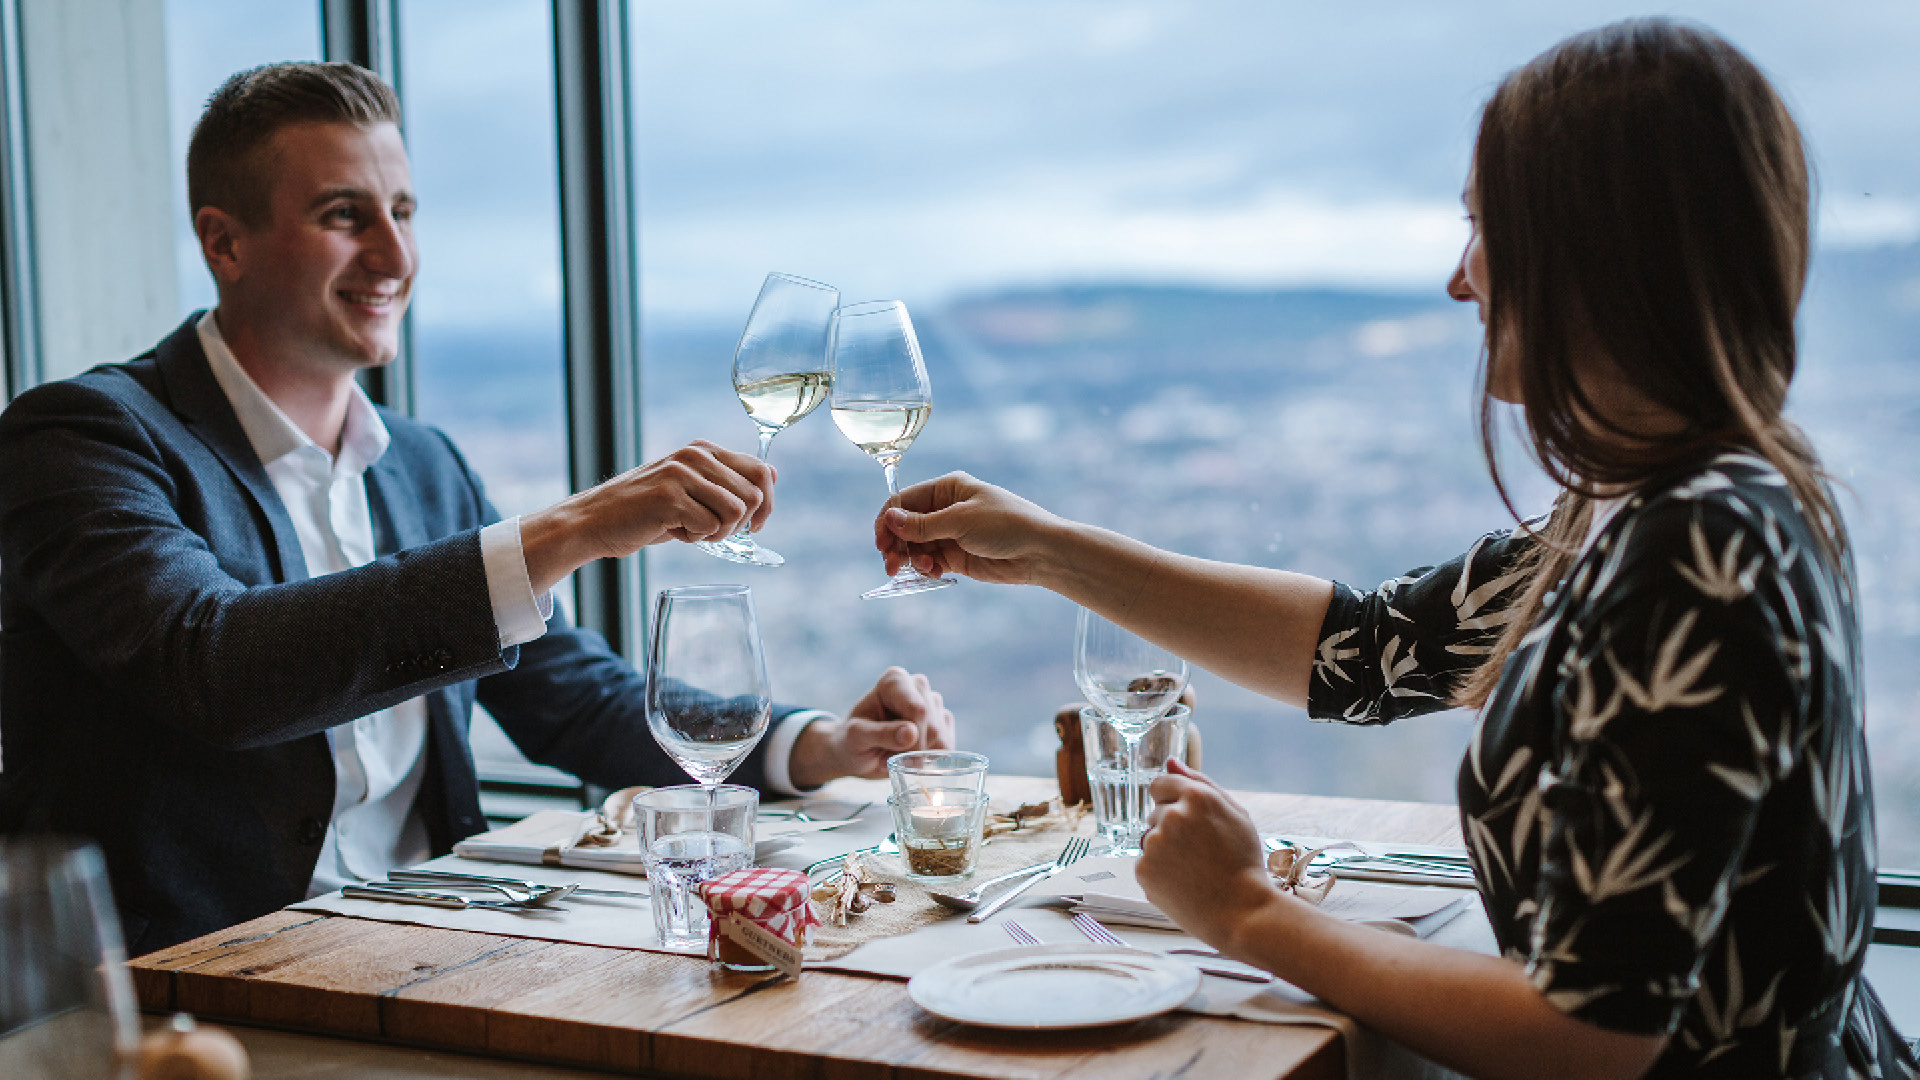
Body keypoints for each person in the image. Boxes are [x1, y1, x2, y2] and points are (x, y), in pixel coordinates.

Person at [871, 20, 1915, 1080]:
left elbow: (1590, 1038)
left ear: (1596, 249)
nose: (1463, 280)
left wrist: (1245, 910)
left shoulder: (1698, 548)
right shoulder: (1649, 503)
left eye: (1485, 226)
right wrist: (1049, 552)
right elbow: (1370, 651)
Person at [0, 61, 954, 956]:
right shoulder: (81, 437)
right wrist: (569, 530)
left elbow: (571, 699)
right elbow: (213, 665)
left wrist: (817, 742)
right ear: (224, 241)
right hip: (193, 984)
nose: (395, 253)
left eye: (404, 210)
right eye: (345, 215)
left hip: (433, 943)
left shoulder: (419, 461)